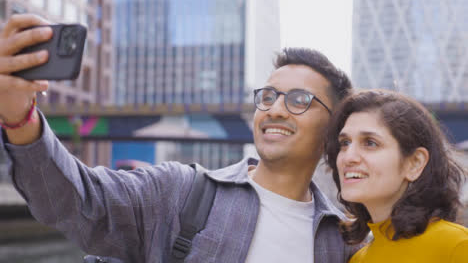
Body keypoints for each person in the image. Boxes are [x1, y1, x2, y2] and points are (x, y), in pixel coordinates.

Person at [0, 14, 356, 262]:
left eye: (298, 101)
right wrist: (20, 117)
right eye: (268, 96)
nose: (275, 109)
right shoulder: (179, 193)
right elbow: (76, 200)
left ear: (333, 129)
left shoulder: (345, 242)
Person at [324, 89, 468, 262]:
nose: (348, 157)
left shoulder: (456, 246)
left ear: (415, 163)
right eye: (345, 143)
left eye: (370, 143)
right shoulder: (358, 259)